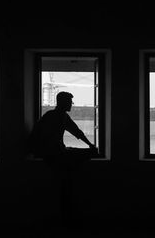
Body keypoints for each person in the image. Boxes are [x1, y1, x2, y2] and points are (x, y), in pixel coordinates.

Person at [28, 91, 98, 227]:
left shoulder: (51, 116)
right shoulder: (61, 117)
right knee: (70, 178)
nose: (72, 104)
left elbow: (75, 132)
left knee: (65, 184)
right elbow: (77, 132)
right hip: (55, 154)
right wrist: (91, 146)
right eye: (70, 101)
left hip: (51, 154)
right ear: (63, 102)